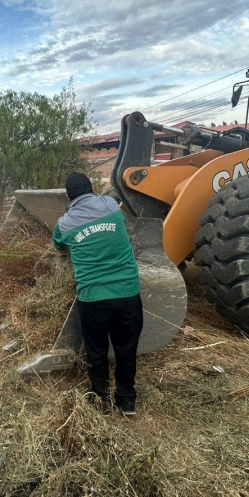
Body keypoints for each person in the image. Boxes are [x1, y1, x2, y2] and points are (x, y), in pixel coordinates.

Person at [53, 172, 142, 416]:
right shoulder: (111, 205)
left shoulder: (65, 223)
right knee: (126, 349)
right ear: (92, 189)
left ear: (68, 196)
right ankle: (126, 402)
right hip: (127, 293)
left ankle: (101, 401)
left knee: (96, 352)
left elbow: (59, 245)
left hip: (92, 298)